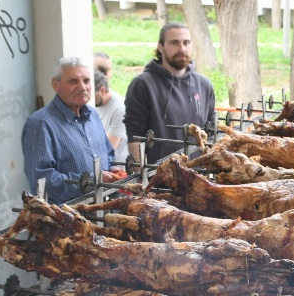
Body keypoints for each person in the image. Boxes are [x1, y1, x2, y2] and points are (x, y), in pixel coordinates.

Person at [21, 56, 116, 204]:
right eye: (73, 81)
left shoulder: (92, 115)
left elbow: (108, 155)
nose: (82, 87)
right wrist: (91, 181)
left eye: (86, 81)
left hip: (102, 212)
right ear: (55, 84)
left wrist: (113, 170)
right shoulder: (40, 123)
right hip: (66, 220)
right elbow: (42, 180)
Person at [124, 22, 216, 163]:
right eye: (174, 43)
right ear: (160, 47)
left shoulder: (204, 85)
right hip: (159, 178)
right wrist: (142, 179)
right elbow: (135, 136)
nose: (181, 48)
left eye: (186, 43)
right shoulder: (142, 85)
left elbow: (211, 133)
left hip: (200, 178)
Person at [94, 71, 128, 164]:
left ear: (102, 90)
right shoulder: (93, 104)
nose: (89, 98)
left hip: (116, 167)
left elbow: (109, 148)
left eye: (92, 94)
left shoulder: (120, 108)